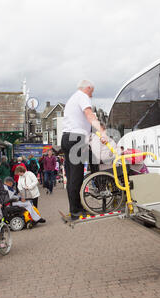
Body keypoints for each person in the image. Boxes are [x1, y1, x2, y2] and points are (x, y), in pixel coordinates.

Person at [61, 80, 108, 220]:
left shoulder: (73, 98)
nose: (92, 95)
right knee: (76, 177)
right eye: (92, 91)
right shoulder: (82, 96)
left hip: (67, 138)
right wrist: (102, 132)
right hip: (76, 139)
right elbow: (89, 115)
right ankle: (76, 210)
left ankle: (77, 206)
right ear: (88, 88)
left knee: (73, 176)